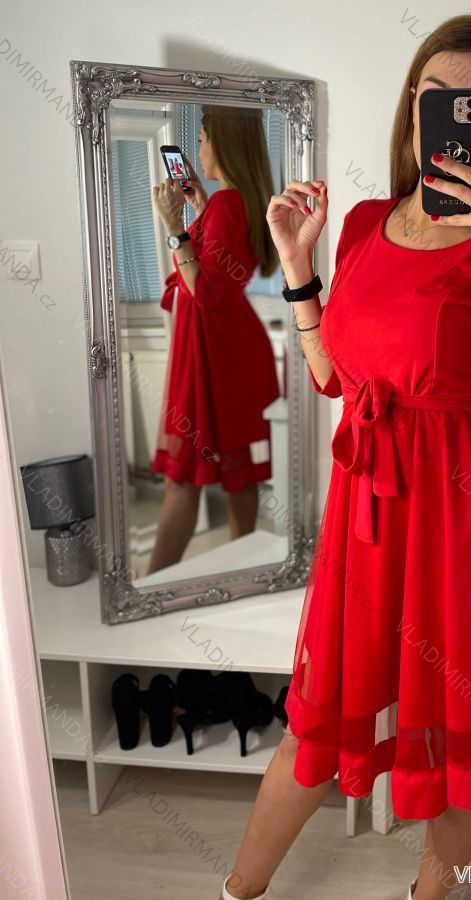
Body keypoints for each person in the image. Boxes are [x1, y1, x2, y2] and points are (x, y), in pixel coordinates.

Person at [219, 14, 471, 900]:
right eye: (435, 96)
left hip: (464, 519)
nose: (453, 115)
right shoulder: (362, 224)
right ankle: (235, 891)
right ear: (412, 109)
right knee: (314, 732)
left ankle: (427, 896)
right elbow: (335, 378)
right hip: (366, 516)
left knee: (460, 747)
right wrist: (297, 268)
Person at [147, 106, 280, 574]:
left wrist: (174, 228)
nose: (198, 148)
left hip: (213, 347)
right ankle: (245, 569)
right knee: (237, 472)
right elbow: (222, 270)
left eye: (202, 138)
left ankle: (149, 588)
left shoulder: (228, 204)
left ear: (222, 142)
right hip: (229, 345)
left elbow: (203, 290)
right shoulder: (236, 202)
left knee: (184, 475)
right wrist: (201, 209)